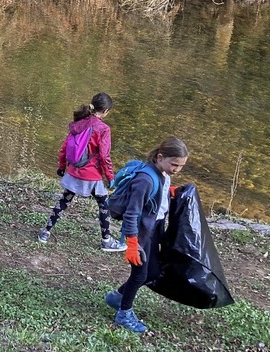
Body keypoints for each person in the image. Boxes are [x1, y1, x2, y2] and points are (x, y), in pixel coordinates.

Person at [104, 136, 189, 333]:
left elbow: (158, 195)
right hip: (140, 235)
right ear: (160, 157)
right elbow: (132, 213)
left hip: (154, 229)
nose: (177, 169)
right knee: (140, 273)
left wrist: (170, 193)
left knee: (152, 272)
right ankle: (124, 313)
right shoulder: (145, 179)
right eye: (174, 164)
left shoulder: (163, 174)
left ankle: (117, 298)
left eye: (181, 166)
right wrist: (132, 244)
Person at [38, 92, 125, 252]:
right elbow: (105, 156)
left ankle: (45, 232)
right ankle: (106, 240)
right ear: (106, 111)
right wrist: (110, 177)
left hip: (74, 171)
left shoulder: (80, 123)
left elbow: (65, 147)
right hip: (92, 175)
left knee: (64, 201)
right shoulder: (103, 129)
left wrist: (62, 166)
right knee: (103, 205)